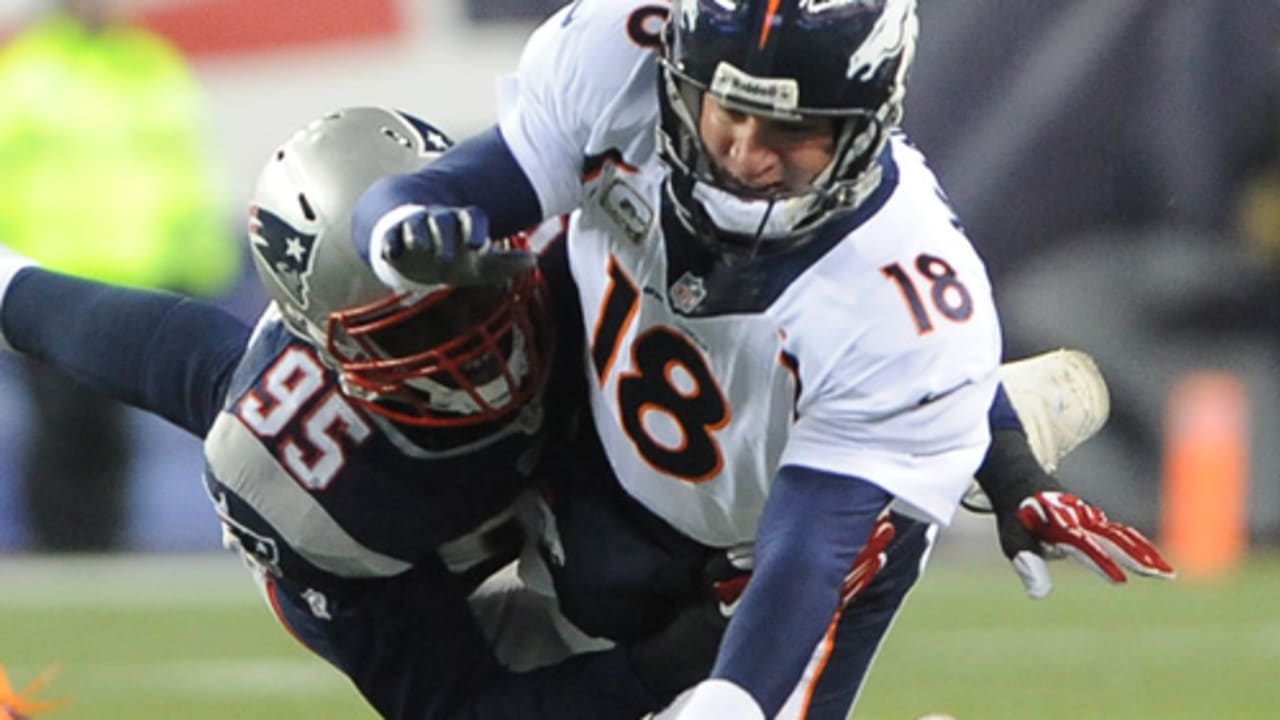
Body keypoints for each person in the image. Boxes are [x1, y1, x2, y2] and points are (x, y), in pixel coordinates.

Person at [351, 1, 1174, 718]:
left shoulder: (902, 288)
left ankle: (960, 424)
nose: (745, 153)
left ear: (866, 122)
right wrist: (403, 228)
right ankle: (967, 420)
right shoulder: (619, 58)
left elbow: (809, 548)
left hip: (788, 528)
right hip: (612, 469)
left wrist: (733, 699)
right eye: (726, 113)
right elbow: (434, 191)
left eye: (789, 129)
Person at [0, 106, 767, 720]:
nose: (473, 350)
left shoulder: (564, 236)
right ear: (330, 349)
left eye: (473, 297)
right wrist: (660, 664)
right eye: (415, 333)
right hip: (439, 561)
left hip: (574, 474)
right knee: (611, 592)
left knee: (625, 562)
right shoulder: (300, 471)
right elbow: (460, 704)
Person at [0, 0, 238, 551]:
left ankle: (101, 554)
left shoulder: (152, 68)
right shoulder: (26, 73)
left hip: (135, 284)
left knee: (113, 439)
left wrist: (203, 268)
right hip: (51, 286)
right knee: (62, 431)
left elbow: (188, 173)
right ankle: (60, 557)